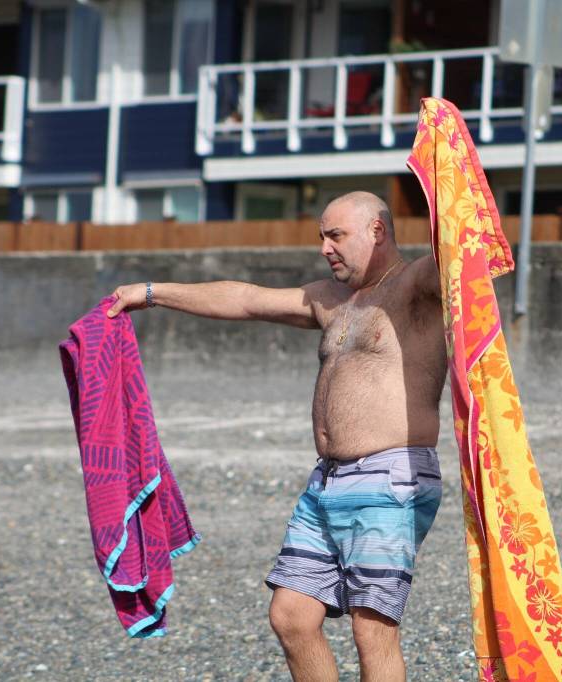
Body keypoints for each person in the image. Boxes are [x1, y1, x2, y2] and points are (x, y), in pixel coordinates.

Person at [107, 191, 446, 681]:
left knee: (373, 630)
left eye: (336, 236)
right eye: (322, 237)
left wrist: (449, 180)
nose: (325, 248)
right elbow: (246, 299)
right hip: (327, 482)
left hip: (391, 476)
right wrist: (153, 292)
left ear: (377, 231)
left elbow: (468, 258)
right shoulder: (332, 300)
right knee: (291, 617)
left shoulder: (417, 284)